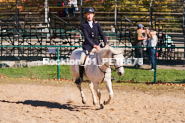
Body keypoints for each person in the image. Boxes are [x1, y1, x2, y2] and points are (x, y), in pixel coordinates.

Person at [75, 7, 109, 84]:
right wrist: (94, 46)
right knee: (81, 60)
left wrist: (106, 43)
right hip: (88, 45)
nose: (89, 16)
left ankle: (107, 75)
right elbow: (87, 38)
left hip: (98, 44)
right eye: (88, 14)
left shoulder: (97, 24)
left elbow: (102, 34)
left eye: (91, 14)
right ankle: (80, 77)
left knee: (106, 58)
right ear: (85, 15)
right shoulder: (84, 25)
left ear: (93, 15)